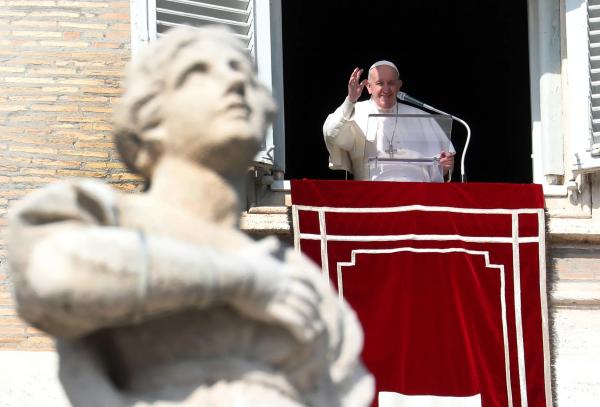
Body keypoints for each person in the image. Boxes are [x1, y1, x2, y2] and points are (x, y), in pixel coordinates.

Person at [8, 26, 373, 407]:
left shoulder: (302, 279)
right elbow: (55, 276)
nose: (235, 81)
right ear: (149, 114)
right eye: (198, 71)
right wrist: (242, 279)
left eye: (243, 73)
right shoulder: (98, 218)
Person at [323, 60, 455, 182]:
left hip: (416, 193)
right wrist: (350, 100)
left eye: (391, 83)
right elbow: (332, 134)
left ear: (399, 86)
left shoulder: (421, 116)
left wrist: (443, 167)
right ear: (369, 86)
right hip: (370, 192)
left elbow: (439, 167)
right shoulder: (353, 111)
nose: (386, 89)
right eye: (380, 83)